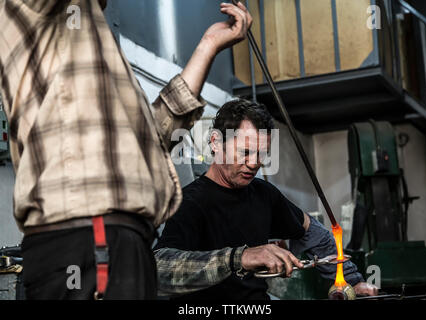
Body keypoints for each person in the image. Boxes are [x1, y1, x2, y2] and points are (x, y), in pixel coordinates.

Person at [0, 0, 252, 299]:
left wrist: (208, 45)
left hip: (122, 244)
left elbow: (153, 141)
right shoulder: (36, 10)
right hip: (84, 242)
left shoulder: (94, 40)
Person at [154, 99, 379, 300]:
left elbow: (312, 231)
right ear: (215, 143)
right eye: (245, 152)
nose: (254, 163)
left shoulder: (263, 194)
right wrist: (238, 258)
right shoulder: (191, 203)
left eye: (262, 154)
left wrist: (350, 280)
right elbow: (160, 269)